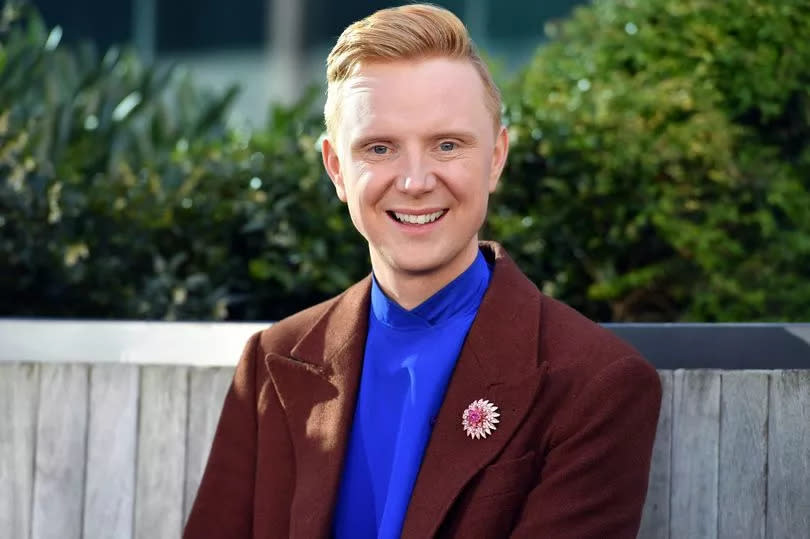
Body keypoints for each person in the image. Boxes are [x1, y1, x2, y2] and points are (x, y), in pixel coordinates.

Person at [183, 4, 662, 538]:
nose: (414, 181)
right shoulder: (273, 360)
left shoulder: (596, 384)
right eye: (379, 147)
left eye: (447, 145)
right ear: (336, 169)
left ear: (497, 158)